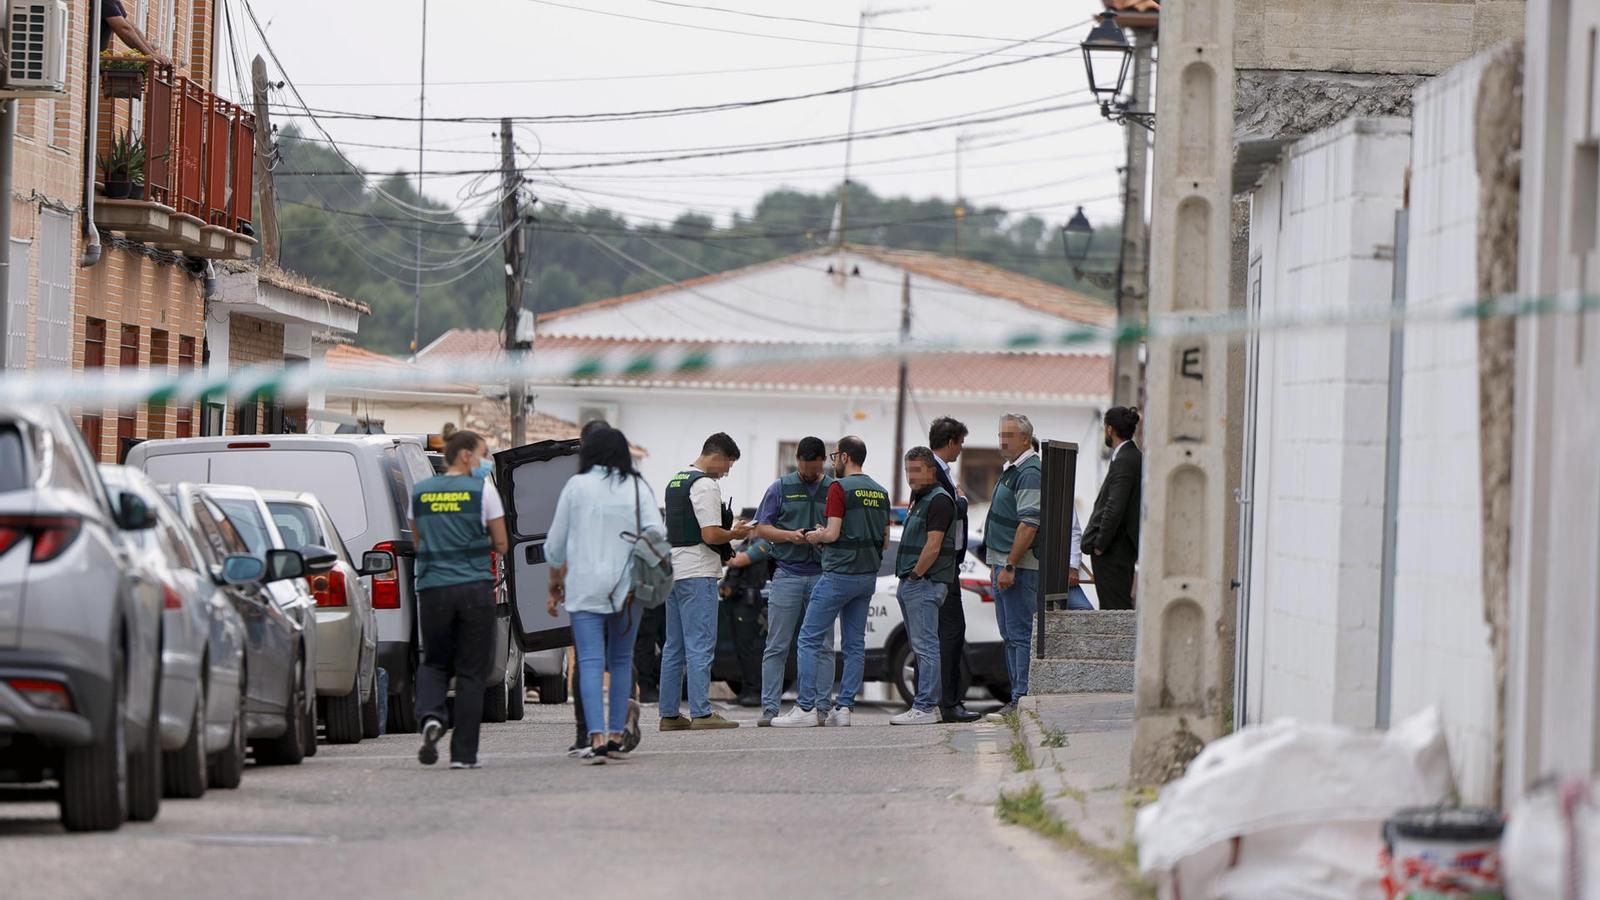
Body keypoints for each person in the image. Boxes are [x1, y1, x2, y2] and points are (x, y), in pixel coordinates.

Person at [545, 427, 661, 764]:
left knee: (591, 661)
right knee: (622, 659)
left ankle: (594, 737)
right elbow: (657, 533)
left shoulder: (576, 487)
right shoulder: (638, 487)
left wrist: (555, 580)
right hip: (628, 588)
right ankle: (614, 735)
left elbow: (554, 546)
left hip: (584, 587)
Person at [772, 436, 890, 728]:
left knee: (809, 638)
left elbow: (833, 533)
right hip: (867, 577)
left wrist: (816, 535)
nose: (832, 461)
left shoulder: (839, 487)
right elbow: (885, 541)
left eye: (835, 455)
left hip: (838, 575)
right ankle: (845, 708)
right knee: (854, 644)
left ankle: (806, 708)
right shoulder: (881, 491)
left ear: (846, 457)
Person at [412, 430, 508, 769]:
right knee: (471, 671)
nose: (485, 462)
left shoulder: (421, 491)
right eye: (482, 455)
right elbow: (501, 543)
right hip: (473, 589)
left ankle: (431, 718)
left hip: (433, 588)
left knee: (434, 661)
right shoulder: (484, 490)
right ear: (466, 455)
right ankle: (464, 754)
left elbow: (419, 540)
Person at [659, 433, 751, 731]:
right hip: (698, 572)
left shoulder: (676, 481)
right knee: (700, 644)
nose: (727, 472)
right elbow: (710, 534)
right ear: (718, 455)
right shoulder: (705, 484)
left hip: (673, 571)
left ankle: (669, 714)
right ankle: (701, 712)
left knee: (674, 646)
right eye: (729, 464)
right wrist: (735, 534)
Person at [751, 437, 836, 727]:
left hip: (823, 575)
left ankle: (822, 708)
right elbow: (761, 527)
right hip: (787, 573)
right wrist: (791, 536)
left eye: (816, 469)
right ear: (797, 459)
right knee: (777, 643)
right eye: (805, 468)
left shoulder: (833, 488)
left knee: (824, 644)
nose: (811, 474)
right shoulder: (780, 487)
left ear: (823, 462)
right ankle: (770, 708)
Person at [891, 447, 957, 725]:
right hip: (914, 583)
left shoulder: (939, 500)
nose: (911, 476)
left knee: (926, 646)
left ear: (931, 470)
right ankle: (925, 705)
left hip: (925, 582)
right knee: (920, 646)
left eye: (917, 470)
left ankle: (926, 706)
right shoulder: (921, 498)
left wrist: (915, 575)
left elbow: (933, 546)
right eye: (908, 470)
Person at [985, 414, 1042, 720]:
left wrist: (1009, 565)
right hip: (1004, 564)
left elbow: (1029, 524)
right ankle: (1016, 697)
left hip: (1019, 568)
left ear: (1025, 439)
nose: (1002, 441)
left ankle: (1021, 698)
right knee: (1010, 634)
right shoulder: (1014, 469)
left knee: (1019, 634)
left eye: (1008, 435)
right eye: (1000, 434)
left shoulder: (1030, 472)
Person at [927, 417, 980, 723]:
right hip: (943, 567)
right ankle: (949, 702)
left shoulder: (940, 471)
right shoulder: (934, 473)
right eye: (960, 443)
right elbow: (943, 512)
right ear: (949, 442)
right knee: (951, 633)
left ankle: (943, 700)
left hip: (948, 564)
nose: (961, 449)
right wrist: (960, 501)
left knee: (944, 634)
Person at [1082, 407, 1143, 610]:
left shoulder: (1125, 460)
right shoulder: (1130, 456)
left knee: (1114, 610)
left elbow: (1115, 506)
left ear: (1109, 429)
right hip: (1119, 550)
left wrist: (1100, 544)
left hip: (1113, 551)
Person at [721, 538, 773, 708]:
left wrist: (723, 555)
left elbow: (738, 560)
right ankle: (746, 689)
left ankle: (755, 690)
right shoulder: (745, 544)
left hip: (748, 601)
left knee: (748, 648)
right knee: (740, 648)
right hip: (736, 600)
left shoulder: (762, 544)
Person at [101, 1, 172, 65]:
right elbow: (124, 29)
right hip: (92, 62)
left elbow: (133, 27)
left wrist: (153, 54)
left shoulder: (113, 2)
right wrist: (150, 55)